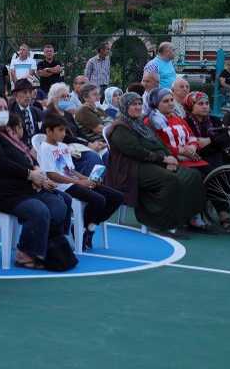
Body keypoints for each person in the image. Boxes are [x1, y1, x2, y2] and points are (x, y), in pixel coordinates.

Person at [0, 95, 71, 270]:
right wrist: (30, 175)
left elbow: (22, 156)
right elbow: (1, 164)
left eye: (5, 108)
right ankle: (25, 253)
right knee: (39, 210)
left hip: (19, 186)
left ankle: (50, 247)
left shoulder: (4, 132)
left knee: (60, 203)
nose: (3, 112)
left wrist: (36, 172)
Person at [105, 93, 205, 239]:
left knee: (192, 175)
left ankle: (186, 218)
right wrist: (163, 160)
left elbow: (159, 143)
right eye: (134, 104)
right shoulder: (120, 127)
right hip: (131, 169)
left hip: (151, 162)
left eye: (139, 104)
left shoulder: (139, 123)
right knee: (169, 180)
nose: (138, 107)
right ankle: (162, 223)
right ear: (125, 107)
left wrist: (171, 157)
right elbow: (136, 151)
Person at [38, 114, 123, 250]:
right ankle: (85, 231)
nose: (63, 133)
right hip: (62, 187)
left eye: (64, 130)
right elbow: (52, 174)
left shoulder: (63, 146)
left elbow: (70, 170)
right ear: (48, 131)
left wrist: (87, 179)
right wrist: (78, 182)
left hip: (73, 181)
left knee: (117, 197)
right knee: (99, 200)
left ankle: (87, 228)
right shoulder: (45, 148)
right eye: (60, 130)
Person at [44, 83, 105, 174]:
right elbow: (65, 137)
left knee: (104, 153)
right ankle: (92, 184)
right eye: (62, 96)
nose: (66, 98)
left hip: (78, 145)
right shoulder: (49, 114)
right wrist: (87, 144)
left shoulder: (67, 114)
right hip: (62, 148)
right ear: (54, 97)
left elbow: (79, 132)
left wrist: (91, 142)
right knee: (93, 157)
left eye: (68, 96)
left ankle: (103, 183)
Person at [9, 79, 43, 146]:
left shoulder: (37, 111)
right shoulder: (11, 113)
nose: (28, 95)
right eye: (25, 92)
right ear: (15, 95)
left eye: (30, 92)